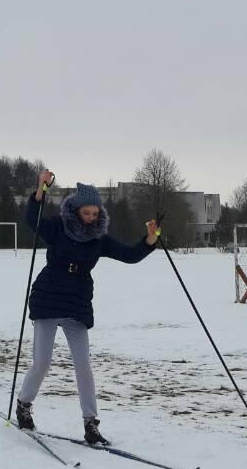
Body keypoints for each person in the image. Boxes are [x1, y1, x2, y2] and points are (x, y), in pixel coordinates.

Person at [14, 171, 160, 445]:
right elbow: (31, 219)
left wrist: (149, 239)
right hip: (48, 297)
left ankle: (90, 425)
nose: (92, 217)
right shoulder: (58, 227)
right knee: (42, 362)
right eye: (87, 213)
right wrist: (40, 190)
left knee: (83, 364)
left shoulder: (99, 238)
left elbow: (129, 255)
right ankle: (23, 405)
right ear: (76, 210)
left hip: (77, 303)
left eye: (96, 213)